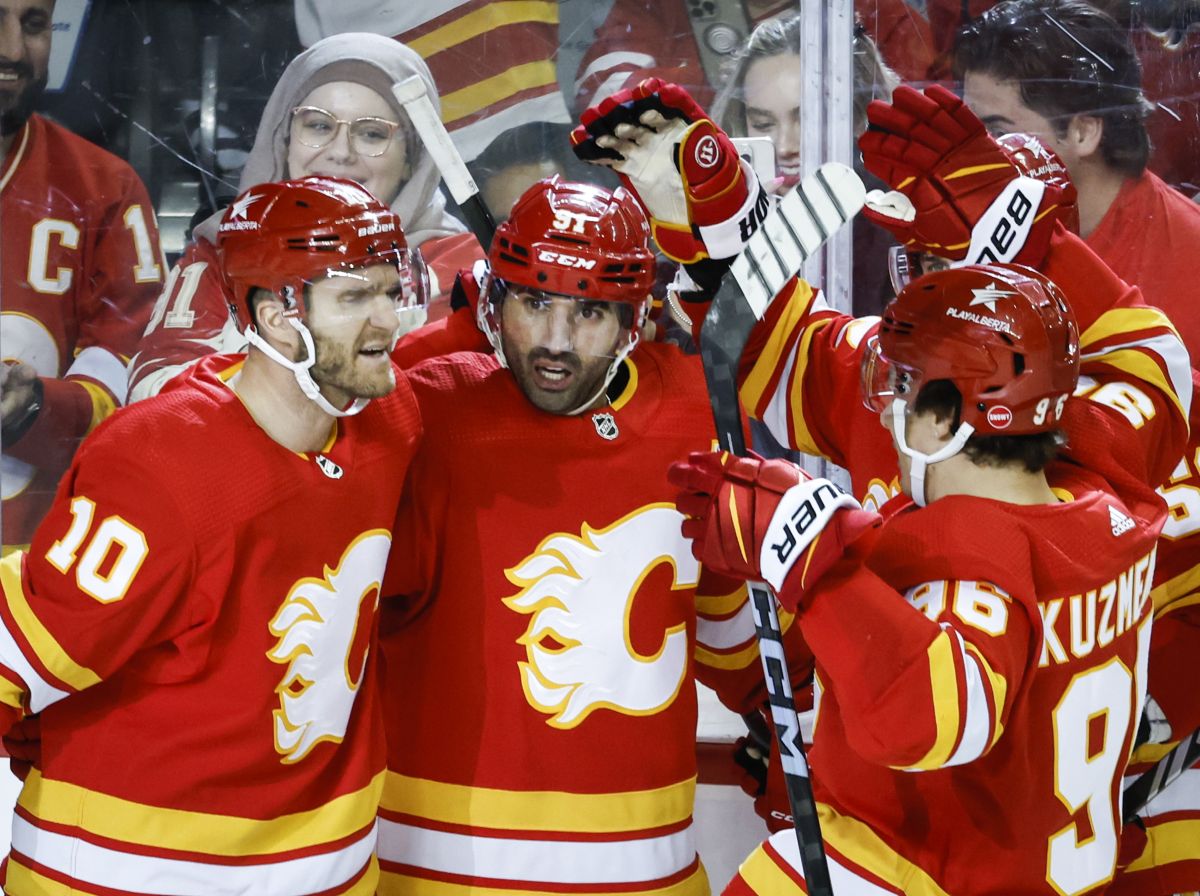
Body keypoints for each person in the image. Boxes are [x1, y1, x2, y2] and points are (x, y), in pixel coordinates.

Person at [572, 78, 1190, 894]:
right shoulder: (1099, 458)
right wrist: (716, 228)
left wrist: (814, 559)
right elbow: (782, 351)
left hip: (946, 848)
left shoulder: (979, 481)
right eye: (921, 259)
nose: (921, 282)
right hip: (1060, 850)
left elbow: (932, 706)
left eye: (948, 257)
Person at [374, 176, 810, 896]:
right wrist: (429, 348)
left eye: (588, 314)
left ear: (636, 320)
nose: (553, 342)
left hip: (646, 875)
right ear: (493, 301)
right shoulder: (428, 413)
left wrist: (782, 711)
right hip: (435, 876)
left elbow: (731, 618)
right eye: (533, 302)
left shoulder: (696, 414)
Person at [0, 175, 423, 895]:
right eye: (357, 297)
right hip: (126, 873)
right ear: (275, 314)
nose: (390, 320)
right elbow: (18, 665)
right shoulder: (159, 461)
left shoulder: (390, 417)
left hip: (324, 870)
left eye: (392, 290)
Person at [127, 32, 482, 401]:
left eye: (372, 134)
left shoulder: (463, 269)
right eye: (319, 126)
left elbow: (447, 409)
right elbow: (155, 396)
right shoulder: (222, 252)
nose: (340, 153)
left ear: (413, 159)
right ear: (283, 140)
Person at [1, 0, 165, 553]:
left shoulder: (105, 190)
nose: (13, 51)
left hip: (31, 583)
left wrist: (31, 409)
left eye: (34, 24)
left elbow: (135, 378)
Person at [952, 0, 1200, 351]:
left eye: (995, 131)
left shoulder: (1191, 269)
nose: (972, 153)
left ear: (1083, 132)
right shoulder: (963, 232)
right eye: (970, 129)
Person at [709, 13, 901, 316]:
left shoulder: (899, 226)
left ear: (859, 116)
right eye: (762, 123)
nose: (785, 146)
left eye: (807, 120)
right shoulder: (716, 224)